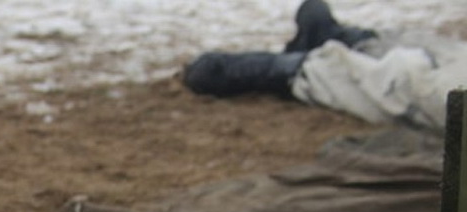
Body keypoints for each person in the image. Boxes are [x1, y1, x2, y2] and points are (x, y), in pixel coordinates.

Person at [182, 0, 467, 132]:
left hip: (399, 80)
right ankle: (331, 36)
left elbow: (405, 87)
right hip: (427, 58)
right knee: (316, 14)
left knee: (209, 70)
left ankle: (307, 55)